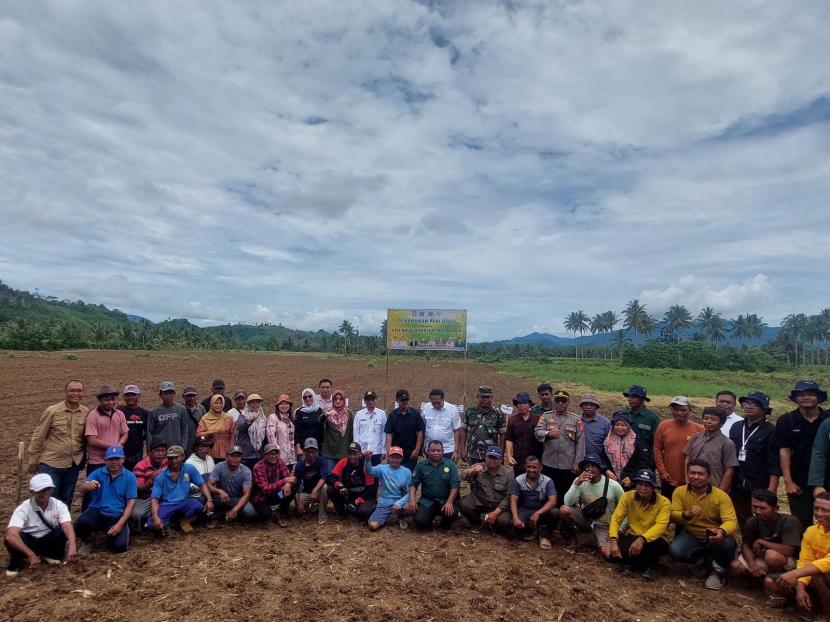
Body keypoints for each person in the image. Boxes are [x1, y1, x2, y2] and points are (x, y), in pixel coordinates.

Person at [669, 459, 739, 590]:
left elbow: (731, 521)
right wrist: (687, 514)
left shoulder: (721, 496)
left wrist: (721, 531)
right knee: (675, 550)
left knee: (726, 543)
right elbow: (673, 516)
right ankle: (702, 561)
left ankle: (718, 572)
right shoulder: (679, 491)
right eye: (692, 473)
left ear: (708, 476)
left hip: (714, 536)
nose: (696, 477)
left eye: (700, 474)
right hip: (692, 534)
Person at [729, 489, 802, 604]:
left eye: (763, 508)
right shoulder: (752, 521)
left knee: (771, 556)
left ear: (775, 508)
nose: (757, 511)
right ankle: (762, 582)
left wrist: (763, 542)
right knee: (736, 566)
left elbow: (789, 550)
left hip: (787, 562)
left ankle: (776, 585)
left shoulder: (789, 521)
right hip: (762, 558)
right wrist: (752, 565)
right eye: (754, 507)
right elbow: (746, 545)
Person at [27, 380, 89, 506]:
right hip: (51, 464)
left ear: (83, 393)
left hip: (73, 464)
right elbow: (38, 436)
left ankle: (63, 525)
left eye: (79, 391)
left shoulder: (86, 412)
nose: (75, 393)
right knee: (49, 500)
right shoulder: (52, 411)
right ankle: (47, 525)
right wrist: (33, 462)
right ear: (65, 392)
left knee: (66, 499)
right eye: (72, 390)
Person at [776, 380, 828, 529]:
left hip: (826, 478)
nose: (806, 397)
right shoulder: (787, 420)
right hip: (799, 479)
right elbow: (784, 450)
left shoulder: (827, 419)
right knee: (800, 522)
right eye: (801, 394)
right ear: (795, 398)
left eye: (811, 394)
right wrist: (788, 481)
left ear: (818, 397)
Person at [768, 493, 830, 617]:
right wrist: (800, 587)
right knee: (772, 581)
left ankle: (827, 615)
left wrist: (795, 574)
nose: (819, 513)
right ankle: (809, 604)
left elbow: (828, 562)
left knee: (820, 575)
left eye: (825, 510)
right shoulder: (811, 531)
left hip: (824, 577)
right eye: (816, 508)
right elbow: (805, 561)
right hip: (813, 579)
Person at [4, 474, 78, 577]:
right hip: (29, 540)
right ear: (32, 492)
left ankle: (49, 554)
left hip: (48, 538)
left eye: (47, 489)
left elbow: (67, 525)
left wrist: (72, 546)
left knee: (64, 528)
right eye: (39, 490)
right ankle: (18, 560)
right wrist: (31, 555)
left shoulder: (59, 505)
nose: (44, 493)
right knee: (10, 539)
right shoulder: (23, 508)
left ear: (51, 490)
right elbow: (11, 535)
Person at [607, 468, 671, 580]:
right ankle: (641, 561)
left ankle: (653, 567)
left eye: (647, 485)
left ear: (653, 488)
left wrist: (642, 539)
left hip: (656, 538)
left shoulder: (664, 502)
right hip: (634, 535)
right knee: (611, 556)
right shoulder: (627, 496)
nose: (643, 488)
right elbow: (616, 518)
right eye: (640, 484)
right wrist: (613, 539)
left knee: (651, 547)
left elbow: (660, 526)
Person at [729, 391, 780, 525]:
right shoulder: (736, 427)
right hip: (737, 480)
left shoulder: (771, 430)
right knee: (740, 514)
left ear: (764, 409)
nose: (748, 406)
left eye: (754, 404)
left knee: (761, 516)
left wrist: (772, 488)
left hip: (759, 482)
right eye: (746, 403)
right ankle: (746, 541)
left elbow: (774, 462)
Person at [75, 446, 137, 553]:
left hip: (116, 514)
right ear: (105, 460)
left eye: (117, 459)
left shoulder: (130, 477)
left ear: (123, 459)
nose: (114, 462)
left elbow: (131, 503)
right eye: (111, 459)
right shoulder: (98, 473)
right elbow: (82, 488)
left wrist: (120, 524)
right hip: (97, 510)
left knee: (119, 547)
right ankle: (88, 540)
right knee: (81, 523)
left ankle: (116, 533)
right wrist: (87, 486)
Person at [558, 456, 624, 555]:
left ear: (600, 468)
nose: (590, 469)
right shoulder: (580, 481)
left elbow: (626, 508)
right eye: (587, 466)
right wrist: (577, 483)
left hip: (606, 525)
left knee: (608, 554)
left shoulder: (613, 485)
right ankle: (574, 542)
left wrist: (618, 530)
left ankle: (599, 541)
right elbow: (567, 502)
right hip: (588, 519)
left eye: (594, 466)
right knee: (564, 510)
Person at [534, 389, 584, 505]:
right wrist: (547, 434)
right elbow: (537, 432)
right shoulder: (546, 416)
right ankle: (548, 518)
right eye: (558, 401)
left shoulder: (576, 419)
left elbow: (581, 443)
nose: (560, 403)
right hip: (549, 463)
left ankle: (563, 519)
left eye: (563, 401)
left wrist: (577, 462)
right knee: (548, 491)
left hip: (568, 465)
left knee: (565, 493)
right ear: (554, 402)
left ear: (568, 403)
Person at [82, 385, 129, 509]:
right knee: (93, 490)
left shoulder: (119, 414)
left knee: (113, 489)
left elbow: (125, 432)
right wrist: (113, 448)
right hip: (97, 461)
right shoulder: (93, 415)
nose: (111, 402)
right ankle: (87, 517)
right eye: (107, 400)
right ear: (100, 400)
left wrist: (120, 444)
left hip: (115, 460)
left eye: (113, 399)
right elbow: (91, 439)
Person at [148, 445, 212, 534]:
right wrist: (155, 517)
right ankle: (173, 522)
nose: (173, 461)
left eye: (176, 457)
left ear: (183, 456)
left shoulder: (189, 468)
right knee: (152, 525)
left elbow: (201, 484)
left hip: (184, 502)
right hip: (167, 504)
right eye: (171, 458)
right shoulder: (160, 476)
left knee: (199, 507)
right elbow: (154, 498)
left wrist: (209, 500)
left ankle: (183, 520)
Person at [653, 396, 704, 500]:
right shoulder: (663, 426)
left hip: (691, 479)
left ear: (690, 410)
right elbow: (657, 449)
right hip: (669, 478)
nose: (679, 413)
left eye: (683, 410)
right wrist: (662, 471)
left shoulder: (699, 429)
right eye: (676, 409)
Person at [459, 445, 514, 533]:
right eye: (490, 457)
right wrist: (471, 471)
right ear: (485, 457)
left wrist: (495, 513)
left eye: (495, 458)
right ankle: (477, 523)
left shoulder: (508, 474)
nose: (492, 460)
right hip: (480, 502)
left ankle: (492, 523)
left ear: (501, 460)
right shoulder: (479, 466)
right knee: (464, 503)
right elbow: (461, 476)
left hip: (498, 506)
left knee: (504, 521)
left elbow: (508, 497)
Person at [406, 440, 460, 530]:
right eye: (433, 450)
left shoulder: (450, 465)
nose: (436, 453)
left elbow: (455, 485)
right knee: (419, 520)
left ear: (443, 452)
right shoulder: (421, 465)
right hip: (427, 501)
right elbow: (413, 484)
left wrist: (450, 502)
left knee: (453, 513)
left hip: (445, 501)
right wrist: (412, 499)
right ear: (427, 452)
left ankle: (444, 522)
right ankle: (429, 519)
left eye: (439, 451)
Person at [684, 407, 738, 491]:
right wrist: (687, 481)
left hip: (714, 487)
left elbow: (729, 470)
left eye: (713, 419)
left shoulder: (727, 443)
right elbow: (687, 459)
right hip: (693, 485)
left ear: (721, 423)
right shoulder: (695, 437)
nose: (708, 421)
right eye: (706, 418)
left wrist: (721, 492)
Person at [510, 456, 558, 549]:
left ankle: (545, 535)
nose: (531, 470)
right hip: (525, 509)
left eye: (534, 467)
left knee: (555, 512)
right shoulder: (519, 480)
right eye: (529, 467)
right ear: (525, 467)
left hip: (542, 511)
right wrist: (515, 518)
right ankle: (533, 530)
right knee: (514, 529)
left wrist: (537, 513)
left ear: (540, 468)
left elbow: (553, 501)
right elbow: (513, 499)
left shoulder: (548, 481)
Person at [365, 446, 412, 531]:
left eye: (398, 458)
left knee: (412, 508)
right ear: (388, 457)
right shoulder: (382, 468)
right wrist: (368, 460)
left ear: (402, 458)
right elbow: (369, 471)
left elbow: (410, 492)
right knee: (373, 525)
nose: (395, 460)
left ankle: (401, 517)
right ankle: (384, 518)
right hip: (385, 500)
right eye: (393, 457)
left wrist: (399, 503)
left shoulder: (407, 472)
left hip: (400, 500)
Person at [207, 445, 257, 524]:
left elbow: (247, 494)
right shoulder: (219, 466)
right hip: (222, 497)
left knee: (250, 512)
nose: (235, 458)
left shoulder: (246, 471)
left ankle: (231, 514)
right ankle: (221, 515)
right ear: (226, 457)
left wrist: (235, 509)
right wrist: (219, 491)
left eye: (238, 456)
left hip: (237, 499)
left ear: (241, 458)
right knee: (212, 501)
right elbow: (209, 484)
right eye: (232, 456)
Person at [328, 442, 377, 522]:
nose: (352, 457)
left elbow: (371, 490)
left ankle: (358, 511)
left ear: (360, 454)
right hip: (349, 493)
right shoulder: (344, 462)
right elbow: (331, 477)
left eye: (355, 454)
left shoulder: (366, 465)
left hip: (364, 496)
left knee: (364, 512)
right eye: (350, 454)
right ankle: (341, 512)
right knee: (330, 488)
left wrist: (358, 501)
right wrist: (339, 485)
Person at [604, 411, 651, 489]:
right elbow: (602, 458)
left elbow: (643, 462)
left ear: (629, 426)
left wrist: (631, 477)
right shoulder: (607, 440)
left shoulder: (637, 440)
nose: (619, 428)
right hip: (611, 480)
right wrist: (606, 470)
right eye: (617, 425)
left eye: (623, 425)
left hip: (630, 482)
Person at [460, 386, 506, 464]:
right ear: (478, 396)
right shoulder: (470, 411)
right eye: (482, 397)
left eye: (487, 397)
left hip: (491, 454)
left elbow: (503, 435)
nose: (485, 399)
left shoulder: (497, 413)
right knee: (472, 474)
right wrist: (462, 450)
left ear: (491, 397)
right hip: (472, 453)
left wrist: (501, 453)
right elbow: (463, 430)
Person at [252, 444, 295, 526]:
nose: (274, 456)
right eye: (271, 454)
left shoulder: (280, 461)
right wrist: (284, 481)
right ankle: (271, 512)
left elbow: (289, 478)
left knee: (292, 489)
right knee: (265, 515)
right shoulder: (258, 467)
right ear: (264, 455)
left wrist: (288, 484)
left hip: (276, 495)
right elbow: (265, 488)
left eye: (276, 454)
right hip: (262, 497)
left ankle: (280, 512)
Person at [131, 440, 169, 529]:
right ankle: (150, 518)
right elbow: (138, 488)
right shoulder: (140, 466)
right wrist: (150, 481)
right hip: (146, 497)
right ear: (150, 452)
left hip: (164, 494)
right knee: (136, 514)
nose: (160, 454)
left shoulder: (167, 461)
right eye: (157, 451)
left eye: (162, 451)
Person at [384, 388, 425, 471]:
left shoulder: (415, 414)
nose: (404, 402)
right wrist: (389, 452)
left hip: (411, 452)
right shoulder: (392, 415)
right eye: (402, 400)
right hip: (396, 453)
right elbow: (389, 434)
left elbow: (420, 431)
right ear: (397, 401)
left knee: (408, 476)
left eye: (406, 400)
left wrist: (417, 449)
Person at [622, 385, 661, 468]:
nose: (629, 399)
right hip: (625, 459)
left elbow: (657, 443)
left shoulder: (652, 418)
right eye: (628, 396)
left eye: (633, 397)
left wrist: (653, 463)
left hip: (645, 461)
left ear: (642, 399)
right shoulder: (624, 414)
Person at [505, 392, 542, 477]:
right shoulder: (512, 420)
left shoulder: (538, 419)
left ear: (529, 405)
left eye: (525, 403)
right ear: (517, 405)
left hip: (535, 460)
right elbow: (509, 439)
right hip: (519, 460)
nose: (522, 406)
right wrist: (509, 456)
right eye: (520, 403)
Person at [293, 438, 328, 524]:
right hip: (307, 493)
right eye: (308, 451)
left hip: (319, 491)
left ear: (317, 451)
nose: (311, 454)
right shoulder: (299, 466)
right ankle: (313, 507)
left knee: (325, 487)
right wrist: (298, 503)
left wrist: (315, 490)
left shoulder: (321, 460)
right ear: (304, 452)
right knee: (292, 506)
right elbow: (295, 486)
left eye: (313, 451)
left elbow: (324, 477)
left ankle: (322, 515)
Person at [421, 388, 462, 461]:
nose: (436, 405)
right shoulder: (426, 408)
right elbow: (422, 428)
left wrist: (456, 451)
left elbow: (456, 431)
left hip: (447, 449)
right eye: (433, 403)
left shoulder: (452, 409)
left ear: (443, 399)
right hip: (430, 450)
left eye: (438, 402)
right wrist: (422, 446)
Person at [147, 381, 189, 451]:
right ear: (160, 395)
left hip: (176, 448)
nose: (168, 396)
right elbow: (149, 432)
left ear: (174, 394)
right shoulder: (154, 411)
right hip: (159, 449)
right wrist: (149, 448)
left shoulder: (181, 409)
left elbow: (184, 430)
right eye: (165, 393)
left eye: (170, 393)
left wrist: (183, 447)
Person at [321, 389, 354, 474]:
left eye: (340, 399)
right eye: (335, 399)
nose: (338, 401)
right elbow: (319, 421)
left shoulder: (349, 413)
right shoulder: (327, 411)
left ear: (344, 400)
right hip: (329, 452)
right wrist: (327, 415)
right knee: (330, 477)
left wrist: (352, 448)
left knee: (344, 478)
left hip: (344, 451)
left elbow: (353, 431)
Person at [197, 394, 237, 462]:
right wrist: (209, 432)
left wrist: (231, 450)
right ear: (212, 404)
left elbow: (233, 434)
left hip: (226, 450)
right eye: (216, 403)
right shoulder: (205, 418)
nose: (218, 405)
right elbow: (198, 434)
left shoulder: (228, 418)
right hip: (210, 450)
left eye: (220, 403)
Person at [353, 389, 386, 466]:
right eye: (368, 399)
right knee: (361, 475)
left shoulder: (382, 414)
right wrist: (357, 450)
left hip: (376, 451)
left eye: (372, 399)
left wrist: (384, 451)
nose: (370, 401)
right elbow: (356, 433)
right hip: (362, 452)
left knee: (375, 476)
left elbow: (384, 433)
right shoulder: (359, 414)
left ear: (376, 400)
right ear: (364, 401)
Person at [121, 383, 148, 471]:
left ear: (138, 395)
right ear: (124, 396)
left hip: (137, 451)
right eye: (127, 395)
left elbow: (147, 432)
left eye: (133, 395)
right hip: (122, 451)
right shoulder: (120, 412)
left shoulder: (144, 413)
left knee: (137, 473)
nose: (130, 397)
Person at [579, 394, 611, 470]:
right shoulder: (576, 420)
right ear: (581, 406)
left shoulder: (605, 423)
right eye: (585, 404)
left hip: (598, 464)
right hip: (579, 462)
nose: (588, 407)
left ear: (596, 407)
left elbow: (609, 444)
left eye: (591, 405)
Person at [236, 393, 267, 470]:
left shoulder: (263, 417)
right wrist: (251, 420)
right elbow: (241, 428)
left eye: (257, 402)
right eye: (252, 402)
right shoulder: (243, 416)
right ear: (248, 404)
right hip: (246, 454)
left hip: (259, 454)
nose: (255, 405)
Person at [295, 388, 326, 462]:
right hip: (304, 447)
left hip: (318, 446)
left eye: (310, 396)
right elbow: (297, 430)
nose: (308, 399)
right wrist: (298, 447)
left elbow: (323, 429)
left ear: (314, 396)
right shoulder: (299, 412)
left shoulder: (320, 410)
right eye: (305, 397)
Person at [267, 394, 296, 470]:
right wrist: (276, 451)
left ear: (289, 405)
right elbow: (271, 435)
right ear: (278, 406)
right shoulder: (273, 417)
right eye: (281, 404)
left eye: (286, 404)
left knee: (288, 478)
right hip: (279, 456)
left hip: (290, 455)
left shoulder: (291, 419)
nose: (284, 406)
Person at [182, 386, 206, 456]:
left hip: (198, 441)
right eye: (189, 396)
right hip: (185, 442)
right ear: (184, 397)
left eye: (193, 396)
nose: (191, 398)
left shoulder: (201, 409)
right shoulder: (180, 409)